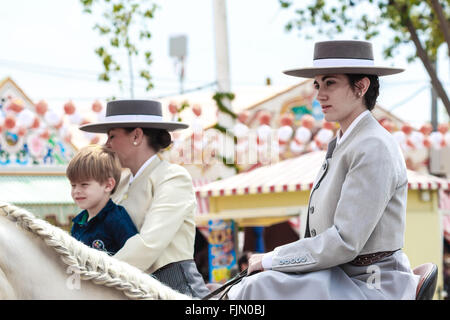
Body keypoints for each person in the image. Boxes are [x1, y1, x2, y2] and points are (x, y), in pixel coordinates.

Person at [227, 40, 420, 300]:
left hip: (372, 284)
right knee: (253, 284)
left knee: (259, 287)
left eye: (330, 83)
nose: (319, 94)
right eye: (318, 84)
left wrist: (273, 258)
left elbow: (345, 241)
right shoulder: (344, 142)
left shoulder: (373, 145)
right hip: (339, 275)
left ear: (361, 87)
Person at [79, 100, 210, 298]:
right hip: (127, 288)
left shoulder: (172, 176)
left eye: (112, 135)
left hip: (174, 289)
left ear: (137, 136)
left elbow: (149, 243)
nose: (107, 144)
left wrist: (96, 274)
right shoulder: (120, 183)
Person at [68, 145, 138, 255]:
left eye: (84, 184)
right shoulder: (78, 223)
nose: (76, 191)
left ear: (108, 185)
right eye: (73, 185)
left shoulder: (117, 220)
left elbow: (133, 255)